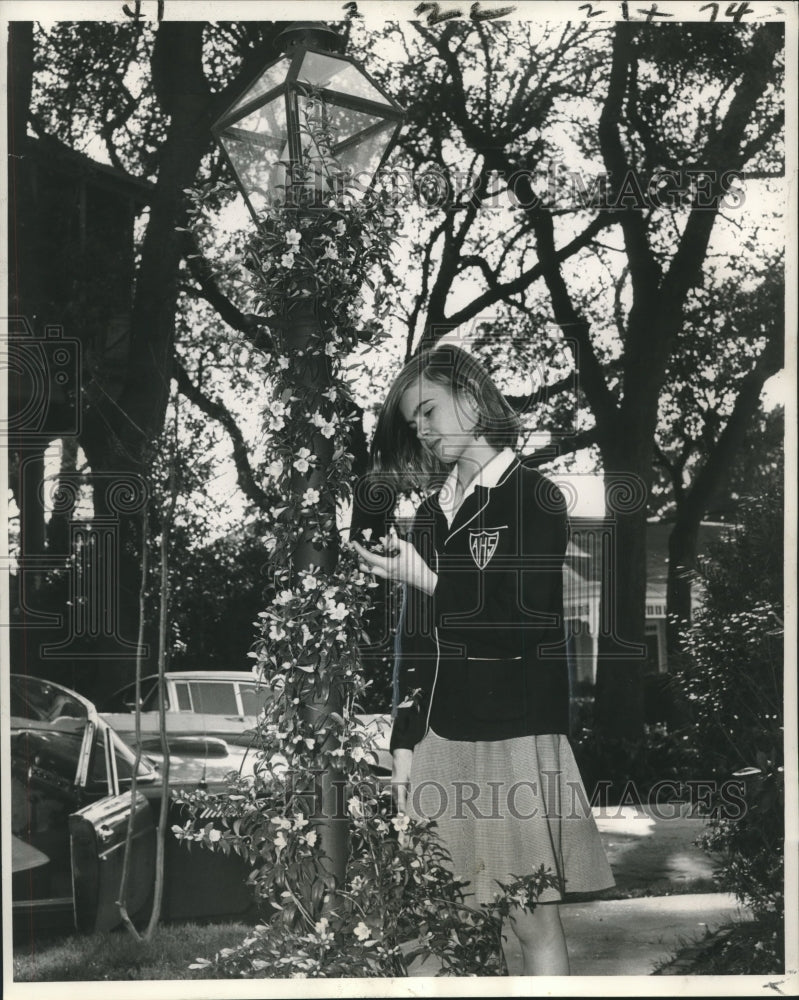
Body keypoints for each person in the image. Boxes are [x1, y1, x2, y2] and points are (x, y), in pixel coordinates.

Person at [349, 343, 614, 976]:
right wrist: (404, 741)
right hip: (440, 735)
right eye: (414, 421)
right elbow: (416, 642)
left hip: (512, 733)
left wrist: (432, 582)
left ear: (472, 397)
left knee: (530, 920)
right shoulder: (433, 513)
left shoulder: (535, 498)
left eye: (430, 410)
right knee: (433, 927)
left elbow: (522, 624)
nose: (423, 429)